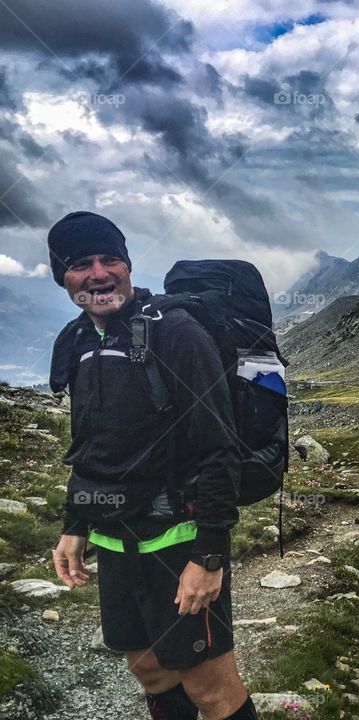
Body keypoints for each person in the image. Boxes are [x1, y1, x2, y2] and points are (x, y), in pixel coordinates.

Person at [47, 211, 258, 720]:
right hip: (115, 542)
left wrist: (209, 558)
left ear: (127, 264)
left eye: (110, 259)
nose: (99, 273)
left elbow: (218, 448)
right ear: (62, 277)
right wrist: (76, 524)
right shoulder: (78, 343)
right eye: (80, 264)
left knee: (211, 688)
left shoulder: (175, 333)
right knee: (150, 670)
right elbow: (90, 445)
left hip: (177, 540)